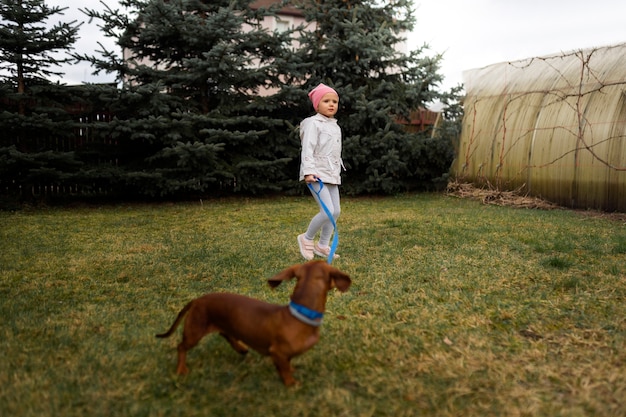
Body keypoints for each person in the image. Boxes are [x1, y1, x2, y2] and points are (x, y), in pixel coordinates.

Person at [297, 83, 344, 260]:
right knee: (327, 211)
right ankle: (306, 238)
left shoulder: (335, 126)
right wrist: (308, 172)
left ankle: (322, 245)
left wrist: (336, 172)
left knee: (336, 211)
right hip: (316, 174)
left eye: (335, 101)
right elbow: (307, 148)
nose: (331, 104)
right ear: (317, 104)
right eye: (326, 101)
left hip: (331, 174)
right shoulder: (312, 124)